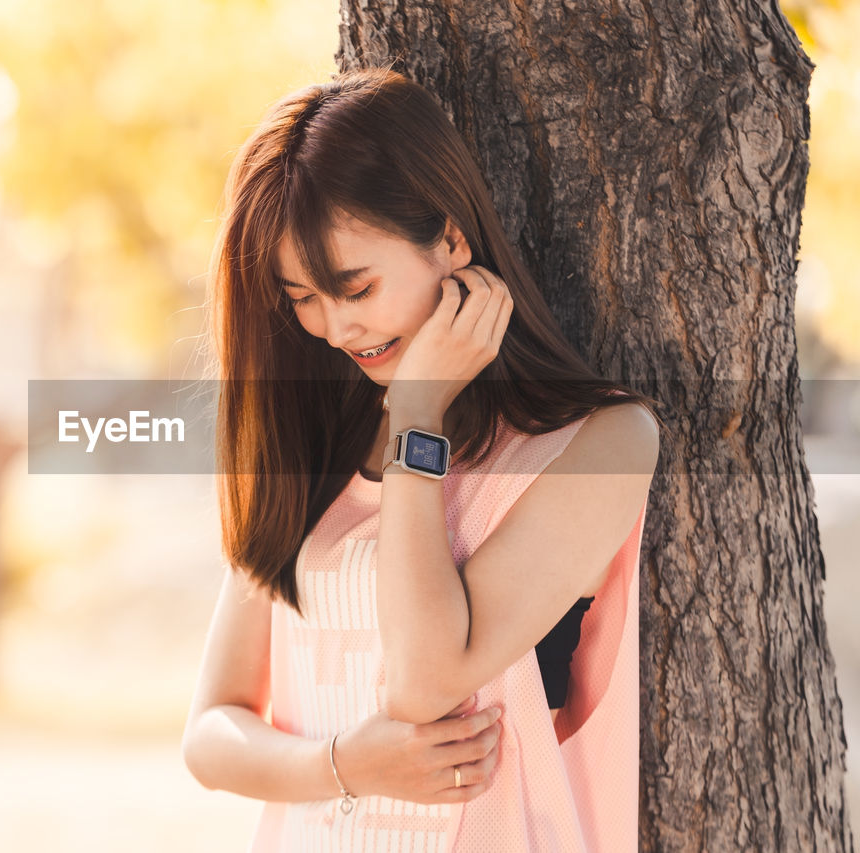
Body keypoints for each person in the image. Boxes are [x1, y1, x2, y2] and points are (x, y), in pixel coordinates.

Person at [181, 67, 660, 851]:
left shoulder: (601, 442)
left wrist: (415, 416)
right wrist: (341, 765)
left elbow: (426, 680)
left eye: (355, 286)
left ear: (450, 239)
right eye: (301, 296)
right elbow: (210, 730)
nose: (334, 327)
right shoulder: (318, 438)